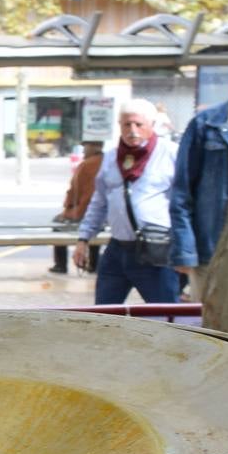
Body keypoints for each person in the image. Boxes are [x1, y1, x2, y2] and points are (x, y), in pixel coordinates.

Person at [170, 49, 228, 301]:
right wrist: (185, 251)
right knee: (212, 331)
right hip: (212, 250)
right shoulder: (205, 124)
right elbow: (181, 192)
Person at [72, 99, 180, 306]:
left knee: (166, 316)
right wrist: (83, 238)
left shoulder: (171, 153)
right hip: (117, 249)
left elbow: (184, 203)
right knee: (104, 314)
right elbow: (100, 201)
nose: (132, 130)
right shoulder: (111, 157)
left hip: (155, 250)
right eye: (126, 125)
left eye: (139, 124)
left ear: (151, 125)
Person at [52, 139, 103, 275]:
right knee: (96, 225)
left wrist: (69, 211)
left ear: (93, 147)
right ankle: (94, 263)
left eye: (85, 146)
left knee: (58, 225)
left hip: (84, 210)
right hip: (101, 212)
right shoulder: (105, 162)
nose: (83, 149)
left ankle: (60, 264)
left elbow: (79, 194)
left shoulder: (87, 165)